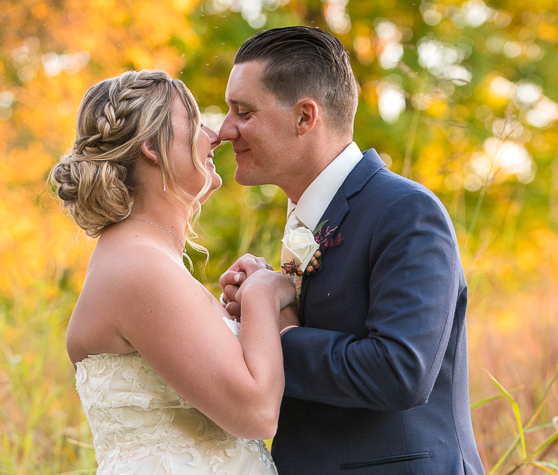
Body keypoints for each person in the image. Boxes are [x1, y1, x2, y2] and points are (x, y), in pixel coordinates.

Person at [218, 26, 486, 474]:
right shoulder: (308, 215)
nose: (226, 130)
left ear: (305, 117)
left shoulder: (406, 211)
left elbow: (400, 372)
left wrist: (274, 333)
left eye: (244, 112)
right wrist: (263, 300)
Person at [51, 69, 293, 475]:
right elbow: (257, 413)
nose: (215, 135)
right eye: (196, 123)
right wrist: (263, 295)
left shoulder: (149, 262)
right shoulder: (138, 267)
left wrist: (249, 309)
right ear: (150, 146)